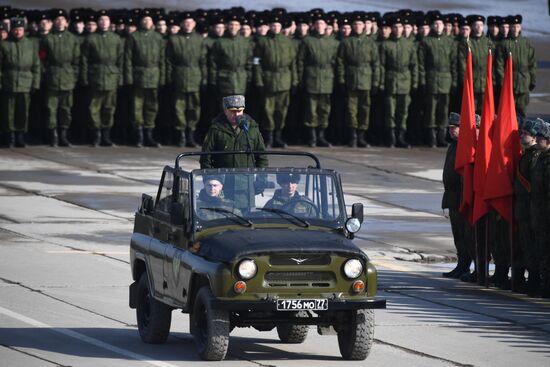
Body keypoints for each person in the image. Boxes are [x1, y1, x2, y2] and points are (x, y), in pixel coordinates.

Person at [253, 13, 297, 148]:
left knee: (281, 110)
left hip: (284, 80)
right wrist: (259, 81)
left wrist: (294, 81)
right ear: (269, 27)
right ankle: (269, 137)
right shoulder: (262, 42)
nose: (276, 27)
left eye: (278, 25)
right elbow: (256, 63)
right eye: (273, 25)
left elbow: (293, 63)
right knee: (268, 110)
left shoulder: (288, 41)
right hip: (268, 80)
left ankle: (278, 136)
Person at [337, 12, 379, 148]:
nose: (357, 26)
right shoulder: (346, 42)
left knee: (364, 109)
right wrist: (342, 80)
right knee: (351, 109)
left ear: (364, 26)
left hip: (366, 79)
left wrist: (375, 82)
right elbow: (340, 62)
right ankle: (353, 136)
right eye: (355, 24)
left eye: (360, 24)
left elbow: (376, 64)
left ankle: (361, 135)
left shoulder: (370, 42)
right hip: (351, 79)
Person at [81, 10, 123, 147]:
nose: (104, 22)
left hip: (111, 77)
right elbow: (84, 60)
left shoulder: (116, 39)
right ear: (97, 22)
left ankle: (106, 135)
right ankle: (96, 136)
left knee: (109, 108)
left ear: (110, 22)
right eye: (101, 20)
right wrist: (85, 78)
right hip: (96, 77)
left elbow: (121, 60)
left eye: (106, 20)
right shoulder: (91, 38)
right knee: (94, 108)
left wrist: (120, 78)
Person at [297, 12, 339, 147]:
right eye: (317, 23)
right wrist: (301, 79)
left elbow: (336, 62)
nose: (320, 25)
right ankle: (312, 137)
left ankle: (321, 136)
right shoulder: (307, 41)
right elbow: (300, 61)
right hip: (312, 78)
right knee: (311, 109)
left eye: (322, 23)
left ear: (326, 25)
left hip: (327, 79)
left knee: (324, 109)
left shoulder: (333, 42)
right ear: (314, 25)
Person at [125, 9, 165, 147]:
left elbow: (162, 60)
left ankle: (149, 135)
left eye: (149, 20)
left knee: (152, 107)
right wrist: (129, 78)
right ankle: (139, 136)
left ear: (152, 22)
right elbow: (128, 59)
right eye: (144, 20)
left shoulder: (158, 38)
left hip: (154, 75)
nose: (146, 22)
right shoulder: (134, 37)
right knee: (137, 106)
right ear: (140, 22)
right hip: (139, 76)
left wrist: (162, 78)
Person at [166, 11, 207, 147]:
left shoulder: (199, 39)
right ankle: (181, 135)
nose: (188, 24)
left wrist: (204, 79)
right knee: (179, 108)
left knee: (194, 108)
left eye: (190, 22)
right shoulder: (174, 39)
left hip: (195, 76)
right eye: (185, 22)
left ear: (194, 24)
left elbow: (203, 61)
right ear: (181, 24)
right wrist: (169, 78)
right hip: (179, 76)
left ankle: (191, 135)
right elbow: (168, 61)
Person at [40, 9, 80, 147]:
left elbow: (76, 61)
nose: (60, 22)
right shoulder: (47, 39)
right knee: (51, 108)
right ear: (53, 22)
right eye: (57, 19)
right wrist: (46, 74)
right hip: (52, 76)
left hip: (67, 78)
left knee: (66, 109)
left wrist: (73, 77)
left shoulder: (72, 39)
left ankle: (63, 135)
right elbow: (42, 59)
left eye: (62, 19)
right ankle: (53, 136)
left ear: (67, 22)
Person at [441, 112, 474, 279]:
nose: (451, 131)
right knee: (458, 234)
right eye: (450, 128)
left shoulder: (466, 146)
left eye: (455, 128)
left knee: (467, 233)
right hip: (452, 196)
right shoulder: (453, 146)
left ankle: (467, 265)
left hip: (462, 196)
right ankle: (461, 264)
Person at [0, 17, 40, 148]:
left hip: (25, 82)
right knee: (8, 111)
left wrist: (35, 83)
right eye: (15, 29)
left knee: (23, 111)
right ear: (11, 30)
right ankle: (10, 136)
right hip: (9, 81)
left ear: (24, 30)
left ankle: (20, 136)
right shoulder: (4, 44)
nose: (18, 32)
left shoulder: (31, 44)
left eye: (20, 29)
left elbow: (36, 66)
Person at [418, 12, 457, 148]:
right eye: (435, 24)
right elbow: (421, 64)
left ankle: (442, 136)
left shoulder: (449, 41)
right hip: (432, 79)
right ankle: (431, 137)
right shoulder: (426, 41)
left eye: (440, 24)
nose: (438, 26)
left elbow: (454, 64)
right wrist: (422, 81)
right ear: (432, 26)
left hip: (446, 80)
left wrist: (454, 82)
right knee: (431, 110)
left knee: (443, 109)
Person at [379, 15, 417, 148]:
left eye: (399, 27)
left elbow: (414, 65)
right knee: (390, 111)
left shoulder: (409, 44)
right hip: (391, 80)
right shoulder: (386, 45)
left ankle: (401, 137)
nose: (397, 29)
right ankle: (391, 137)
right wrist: (381, 83)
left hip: (405, 81)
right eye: (394, 27)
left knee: (403, 111)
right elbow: (381, 66)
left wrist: (415, 83)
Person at [200, 95, 268, 169]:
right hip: (222, 178)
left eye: (239, 111)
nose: (237, 115)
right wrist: (211, 178)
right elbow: (205, 158)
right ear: (225, 111)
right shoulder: (216, 129)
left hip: (246, 178)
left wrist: (260, 179)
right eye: (233, 111)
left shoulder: (252, 128)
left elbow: (262, 157)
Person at [513, 119, 541, 293]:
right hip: (524, 209)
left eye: (526, 133)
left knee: (532, 247)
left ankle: (534, 280)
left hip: (532, 210)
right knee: (524, 245)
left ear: (534, 138)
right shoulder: (527, 155)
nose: (522, 135)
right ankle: (527, 280)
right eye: (521, 133)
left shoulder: (534, 157)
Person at [495, 15, 536, 120]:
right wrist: (504, 82)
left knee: (522, 111)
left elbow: (532, 63)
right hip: (510, 83)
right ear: (510, 28)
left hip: (524, 81)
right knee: (509, 112)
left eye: (517, 26)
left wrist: (532, 80)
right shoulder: (504, 44)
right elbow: (499, 66)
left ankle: (521, 134)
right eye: (513, 27)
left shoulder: (526, 43)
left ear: (520, 27)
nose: (515, 29)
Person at [529, 119, 550, 298]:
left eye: (541, 137)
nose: (537, 139)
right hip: (539, 214)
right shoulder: (541, 160)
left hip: (545, 215)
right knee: (540, 250)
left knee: (546, 252)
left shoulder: (548, 162)